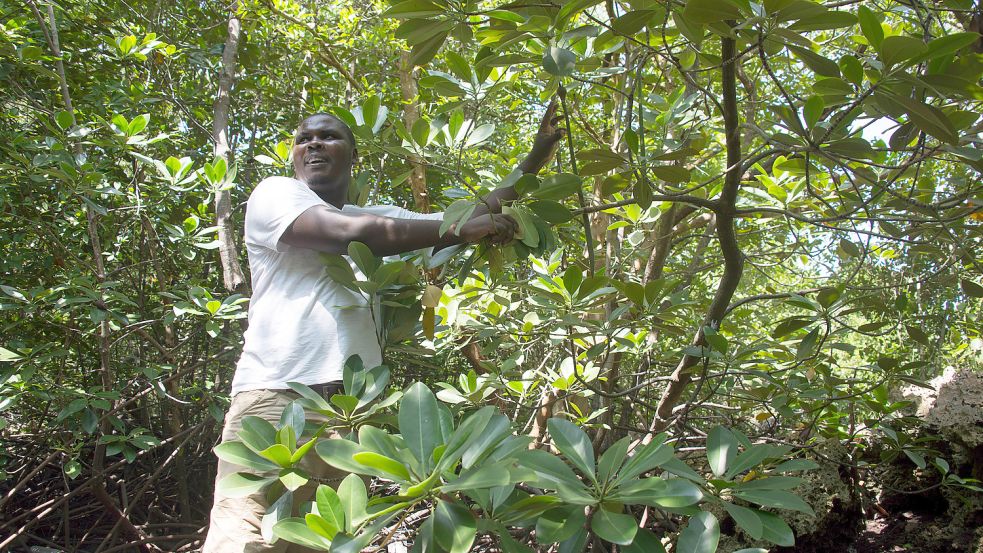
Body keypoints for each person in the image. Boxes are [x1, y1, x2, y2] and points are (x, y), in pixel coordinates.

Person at [201, 101, 564, 552]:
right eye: (304, 138)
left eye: (328, 136)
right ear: (294, 156)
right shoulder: (275, 194)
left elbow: (467, 215)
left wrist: (536, 155)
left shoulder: (378, 215)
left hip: (349, 406)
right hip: (277, 395)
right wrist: (456, 233)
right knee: (245, 537)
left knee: (320, 539)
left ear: (354, 156)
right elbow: (346, 233)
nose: (313, 143)